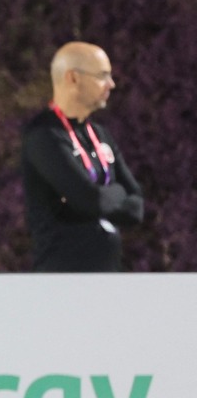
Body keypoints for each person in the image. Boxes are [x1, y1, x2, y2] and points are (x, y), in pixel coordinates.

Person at [21, 41, 145, 271]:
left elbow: (136, 205)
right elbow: (89, 199)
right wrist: (115, 194)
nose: (111, 84)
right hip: (62, 280)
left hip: (105, 276)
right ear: (73, 79)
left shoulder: (99, 134)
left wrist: (101, 199)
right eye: (102, 76)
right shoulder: (44, 135)